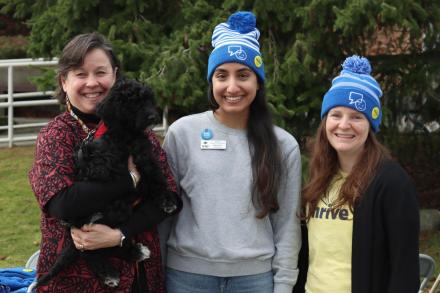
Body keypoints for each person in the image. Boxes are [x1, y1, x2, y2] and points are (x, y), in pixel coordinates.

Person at [160, 11, 302, 293]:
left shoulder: (283, 146)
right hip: (186, 278)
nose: (232, 87)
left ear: (258, 82)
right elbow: (165, 213)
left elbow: (287, 225)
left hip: (254, 281)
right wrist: (156, 276)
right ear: (212, 82)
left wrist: (284, 285)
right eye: (222, 76)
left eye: (243, 75)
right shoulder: (182, 134)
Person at [29, 32, 180, 292]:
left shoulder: (139, 131)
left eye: (101, 72)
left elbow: (170, 199)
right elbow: (63, 203)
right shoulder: (57, 135)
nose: (92, 83)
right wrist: (131, 178)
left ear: (115, 75)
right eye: (80, 74)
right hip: (78, 280)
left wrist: (119, 234)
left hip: (140, 276)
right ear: (64, 81)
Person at [293, 55, 420, 293]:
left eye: (356, 117)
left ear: (370, 125)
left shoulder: (392, 183)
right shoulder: (320, 176)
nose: (343, 125)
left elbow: (405, 269)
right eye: (336, 114)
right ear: (325, 121)